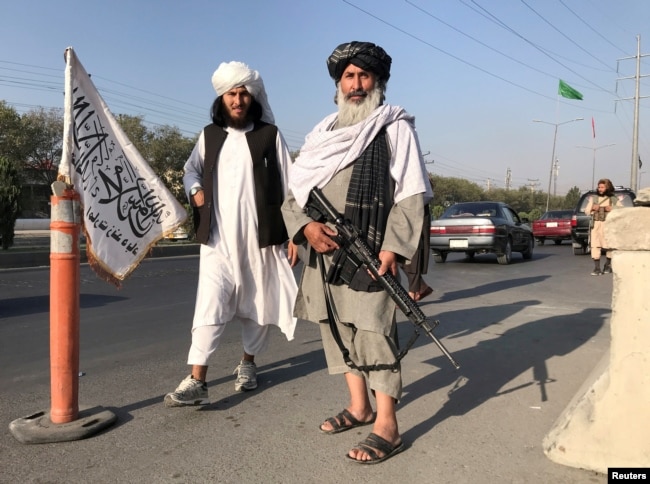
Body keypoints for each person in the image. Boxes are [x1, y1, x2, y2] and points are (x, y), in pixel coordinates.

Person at [281, 41, 433, 464]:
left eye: (364, 75)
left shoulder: (392, 127)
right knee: (335, 329)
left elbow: (411, 194)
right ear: (338, 85)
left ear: (378, 81)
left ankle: (387, 423)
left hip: (370, 251)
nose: (356, 84)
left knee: (373, 332)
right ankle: (358, 406)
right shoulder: (321, 134)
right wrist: (306, 227)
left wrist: (394, 247)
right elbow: (294, 194)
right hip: (323, 251)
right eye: (348, 76)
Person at [164, 61, 298, 407]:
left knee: (259, 303)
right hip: (217, 241)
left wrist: (295, 234)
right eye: (231, 94)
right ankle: (197, 380)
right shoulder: (209, 135)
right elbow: (190, 170)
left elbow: (291, 183)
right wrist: (194, 189)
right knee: (209, 305)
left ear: (252, 97)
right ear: (221, 98)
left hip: (261, 239)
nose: (238, 100)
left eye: (243, 93)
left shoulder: (270, 135)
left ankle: (248, 364)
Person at [585, 178, 618, 276]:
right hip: (596, 225)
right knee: (595, 245)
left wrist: (612, 208)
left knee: (609, 246)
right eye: (599, 187)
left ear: (607, 187)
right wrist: (592, 209)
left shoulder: (613, 199)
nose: (600, 189)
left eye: (602, 187)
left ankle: (607, 265)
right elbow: (586, 211)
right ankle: (597, 268)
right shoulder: (594, 199)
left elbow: (622, 209)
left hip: (609, 225)